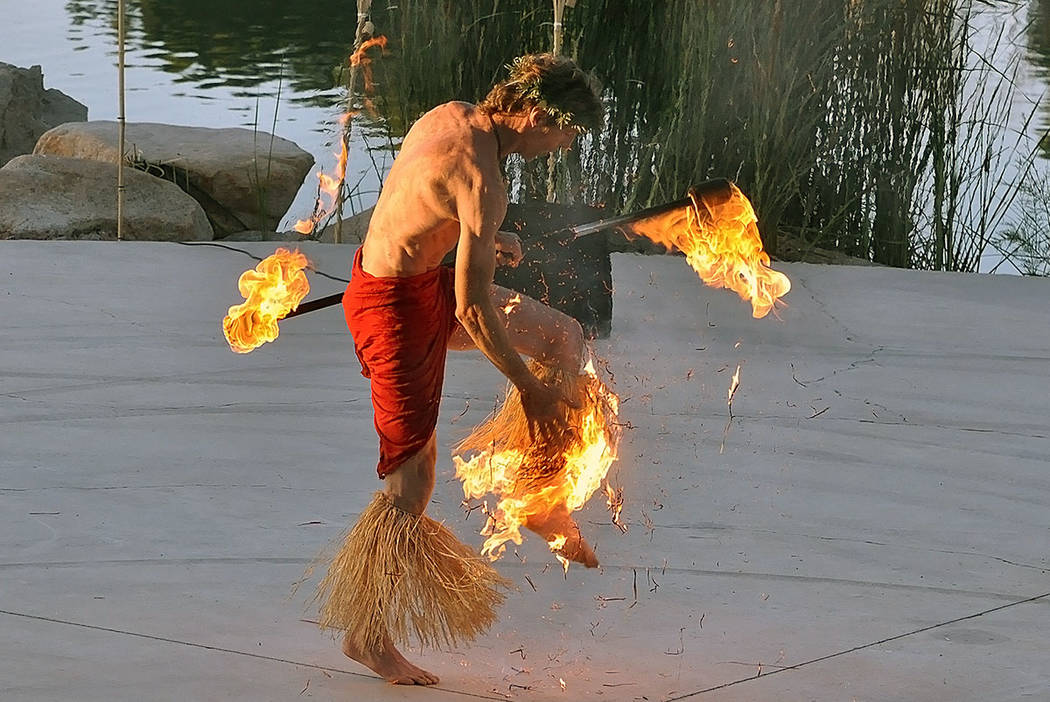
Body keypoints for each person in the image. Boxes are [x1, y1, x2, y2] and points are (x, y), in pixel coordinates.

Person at [314, 53, 604, 686]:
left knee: (563, 336)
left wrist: (475, 236)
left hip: (419, 281)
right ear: (536, 114)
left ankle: (541, 496)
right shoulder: (483, 179)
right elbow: (473, 309)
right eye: (563, 135)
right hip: (391, 311)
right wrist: (526, 390)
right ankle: (367, 636)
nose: (560, 148)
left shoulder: (453, 115)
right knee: (411, 482)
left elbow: (413, 201)